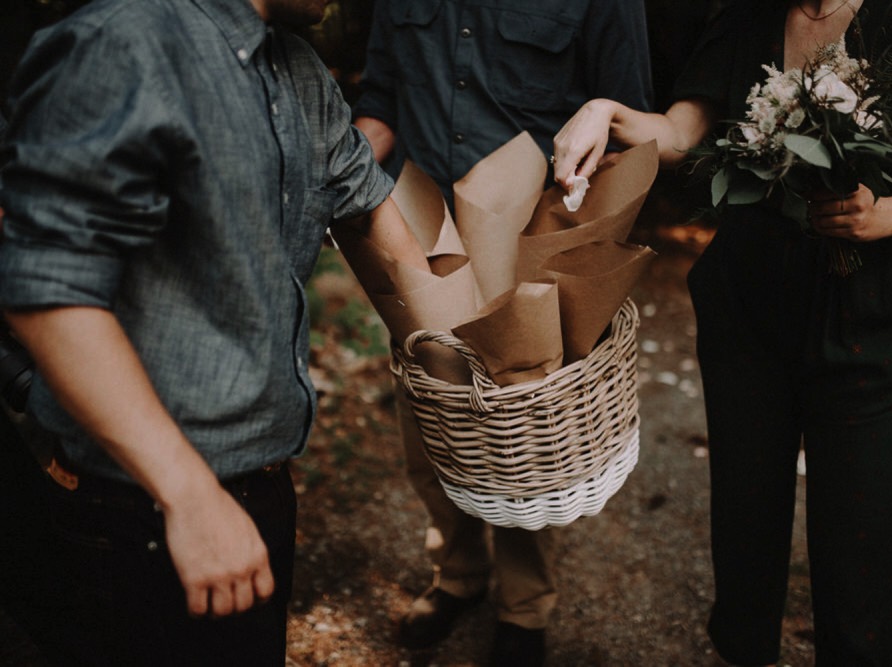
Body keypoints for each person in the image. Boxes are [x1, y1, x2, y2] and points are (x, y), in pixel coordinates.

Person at [551, 0, 892, 665]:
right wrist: (605, 112)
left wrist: (887, 216)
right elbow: (681, 131)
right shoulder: (746, 14)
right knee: (744, 529)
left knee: (861, 553)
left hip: (867, 322)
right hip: (747, 308)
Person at [0, 0, 428, 664]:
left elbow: (372, 213)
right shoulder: (124, 44)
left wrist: (469, 350)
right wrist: (191, 495)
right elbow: (47, 293)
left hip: (259, 493)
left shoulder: (300, 71)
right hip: (141, 508)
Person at [351, 3, 653, 664]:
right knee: (427, 425)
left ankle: (524, 609)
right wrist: (334, 173)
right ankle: (458, 573)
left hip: (528, 245)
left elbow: (630, 120)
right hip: (419, 232)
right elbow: (380, 98)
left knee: (518, 438)